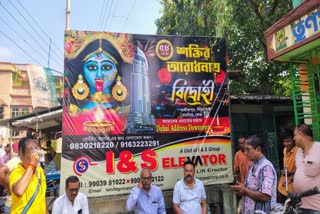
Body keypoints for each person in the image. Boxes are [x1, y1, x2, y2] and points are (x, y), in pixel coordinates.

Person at [230, 135, 277, 214]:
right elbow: (249, 189)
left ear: (258, 149)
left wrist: (244, 189)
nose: (245, 153)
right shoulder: (252, 165)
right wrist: (241, 189)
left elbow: (264, 196)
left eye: (248, 149)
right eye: (244, 150)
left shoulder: (266, 167)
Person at [9, 137, 47, 214]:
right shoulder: (16, 173)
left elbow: (43, 197)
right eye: (32, 151)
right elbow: (19, 191)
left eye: (37, 150)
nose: (35, 155)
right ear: (21, 154)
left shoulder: (40, 171)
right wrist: (32, 164)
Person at [293, 123, 320, 213]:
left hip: (316, 207)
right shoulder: (298, 152)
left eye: (295, 135)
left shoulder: (318, 149)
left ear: (301, 134)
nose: (294, 138)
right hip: (300, 205)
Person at [277, 129, 297, 203]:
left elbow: (301, 169)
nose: (286, 143)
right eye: (284, 141)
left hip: (292, 190)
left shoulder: (298, 151)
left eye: (288, 141)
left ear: (294, 141)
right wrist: (284, 172)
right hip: (282, 187)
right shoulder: (284, 150)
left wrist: (290, 173)